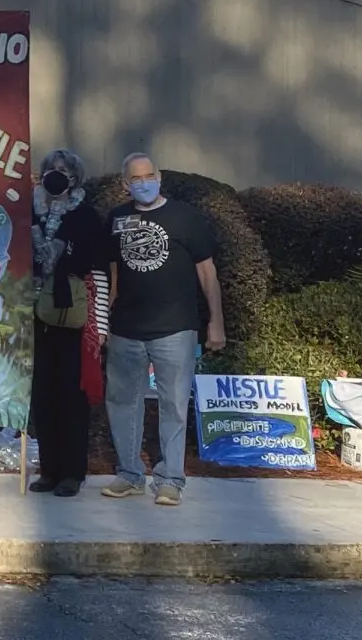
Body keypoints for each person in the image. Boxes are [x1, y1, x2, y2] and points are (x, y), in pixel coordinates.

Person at [101, 153, 226, 507]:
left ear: (159, 177)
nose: (143, 183)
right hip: (126, 328)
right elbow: (113, 275)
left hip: (175, 329)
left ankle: (171, 478)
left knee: (173, 404)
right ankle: (129, 474)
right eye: (135, 179)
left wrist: (215, 321)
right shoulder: (117, 218)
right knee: (123, 401)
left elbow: (208, 272)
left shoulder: (185, 217)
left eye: (148, 175)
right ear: (125, 184)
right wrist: (104, 321)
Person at [27, 149, 109, 497]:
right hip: (35, 316)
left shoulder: (87, 217)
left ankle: (72, 472)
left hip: (74, 317)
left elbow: (99, 272)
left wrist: (100, 327)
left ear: (75, 178)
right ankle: (49, 470)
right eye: (51, 170)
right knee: (43, 396)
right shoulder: (30, 214)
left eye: (63, 171)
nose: (56, 175)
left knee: (71, 397)